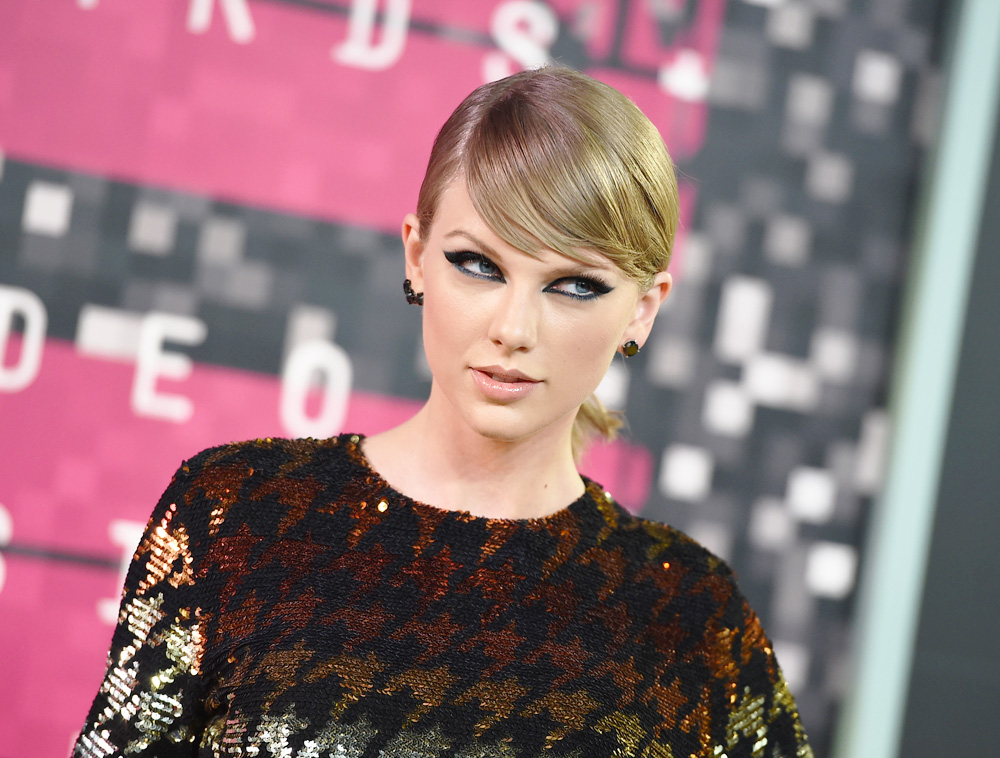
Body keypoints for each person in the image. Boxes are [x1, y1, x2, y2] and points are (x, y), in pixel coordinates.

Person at [75, 66, 812, 757]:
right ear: (416, 256)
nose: (514, 328)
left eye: (576, 285)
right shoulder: (235, 516)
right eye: (479, 265)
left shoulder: (689, 616)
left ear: (643, 311)